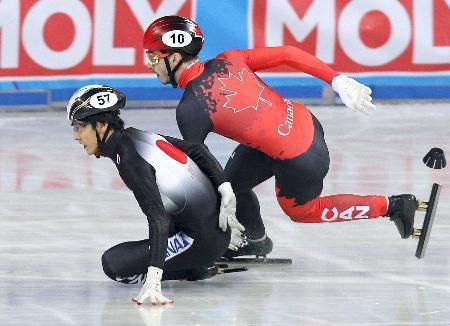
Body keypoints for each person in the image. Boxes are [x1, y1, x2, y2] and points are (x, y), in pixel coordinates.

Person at [141, 16, 419, 257]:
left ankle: (392, 206)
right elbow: (287, 52)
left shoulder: (191, 109)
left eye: (154, 57)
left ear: (174, 58)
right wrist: (337, 80)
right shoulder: (228, 60)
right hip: (303, 123)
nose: (150, 65)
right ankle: (257, 242)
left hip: (300, 159)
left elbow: (197, 171)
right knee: (230, 186)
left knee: (301, 211)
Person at [67, 84, 246, 305]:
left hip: (202, 241)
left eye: (79, 126)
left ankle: (193, 268)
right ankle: (195, 260)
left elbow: (157, 218)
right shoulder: (135, 137)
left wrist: (153, 278)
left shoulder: (130, 160)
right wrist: (225, 189)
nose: (76, 136)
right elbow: (198, 150)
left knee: (114, 264)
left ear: (102, 125)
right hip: (211, 228)